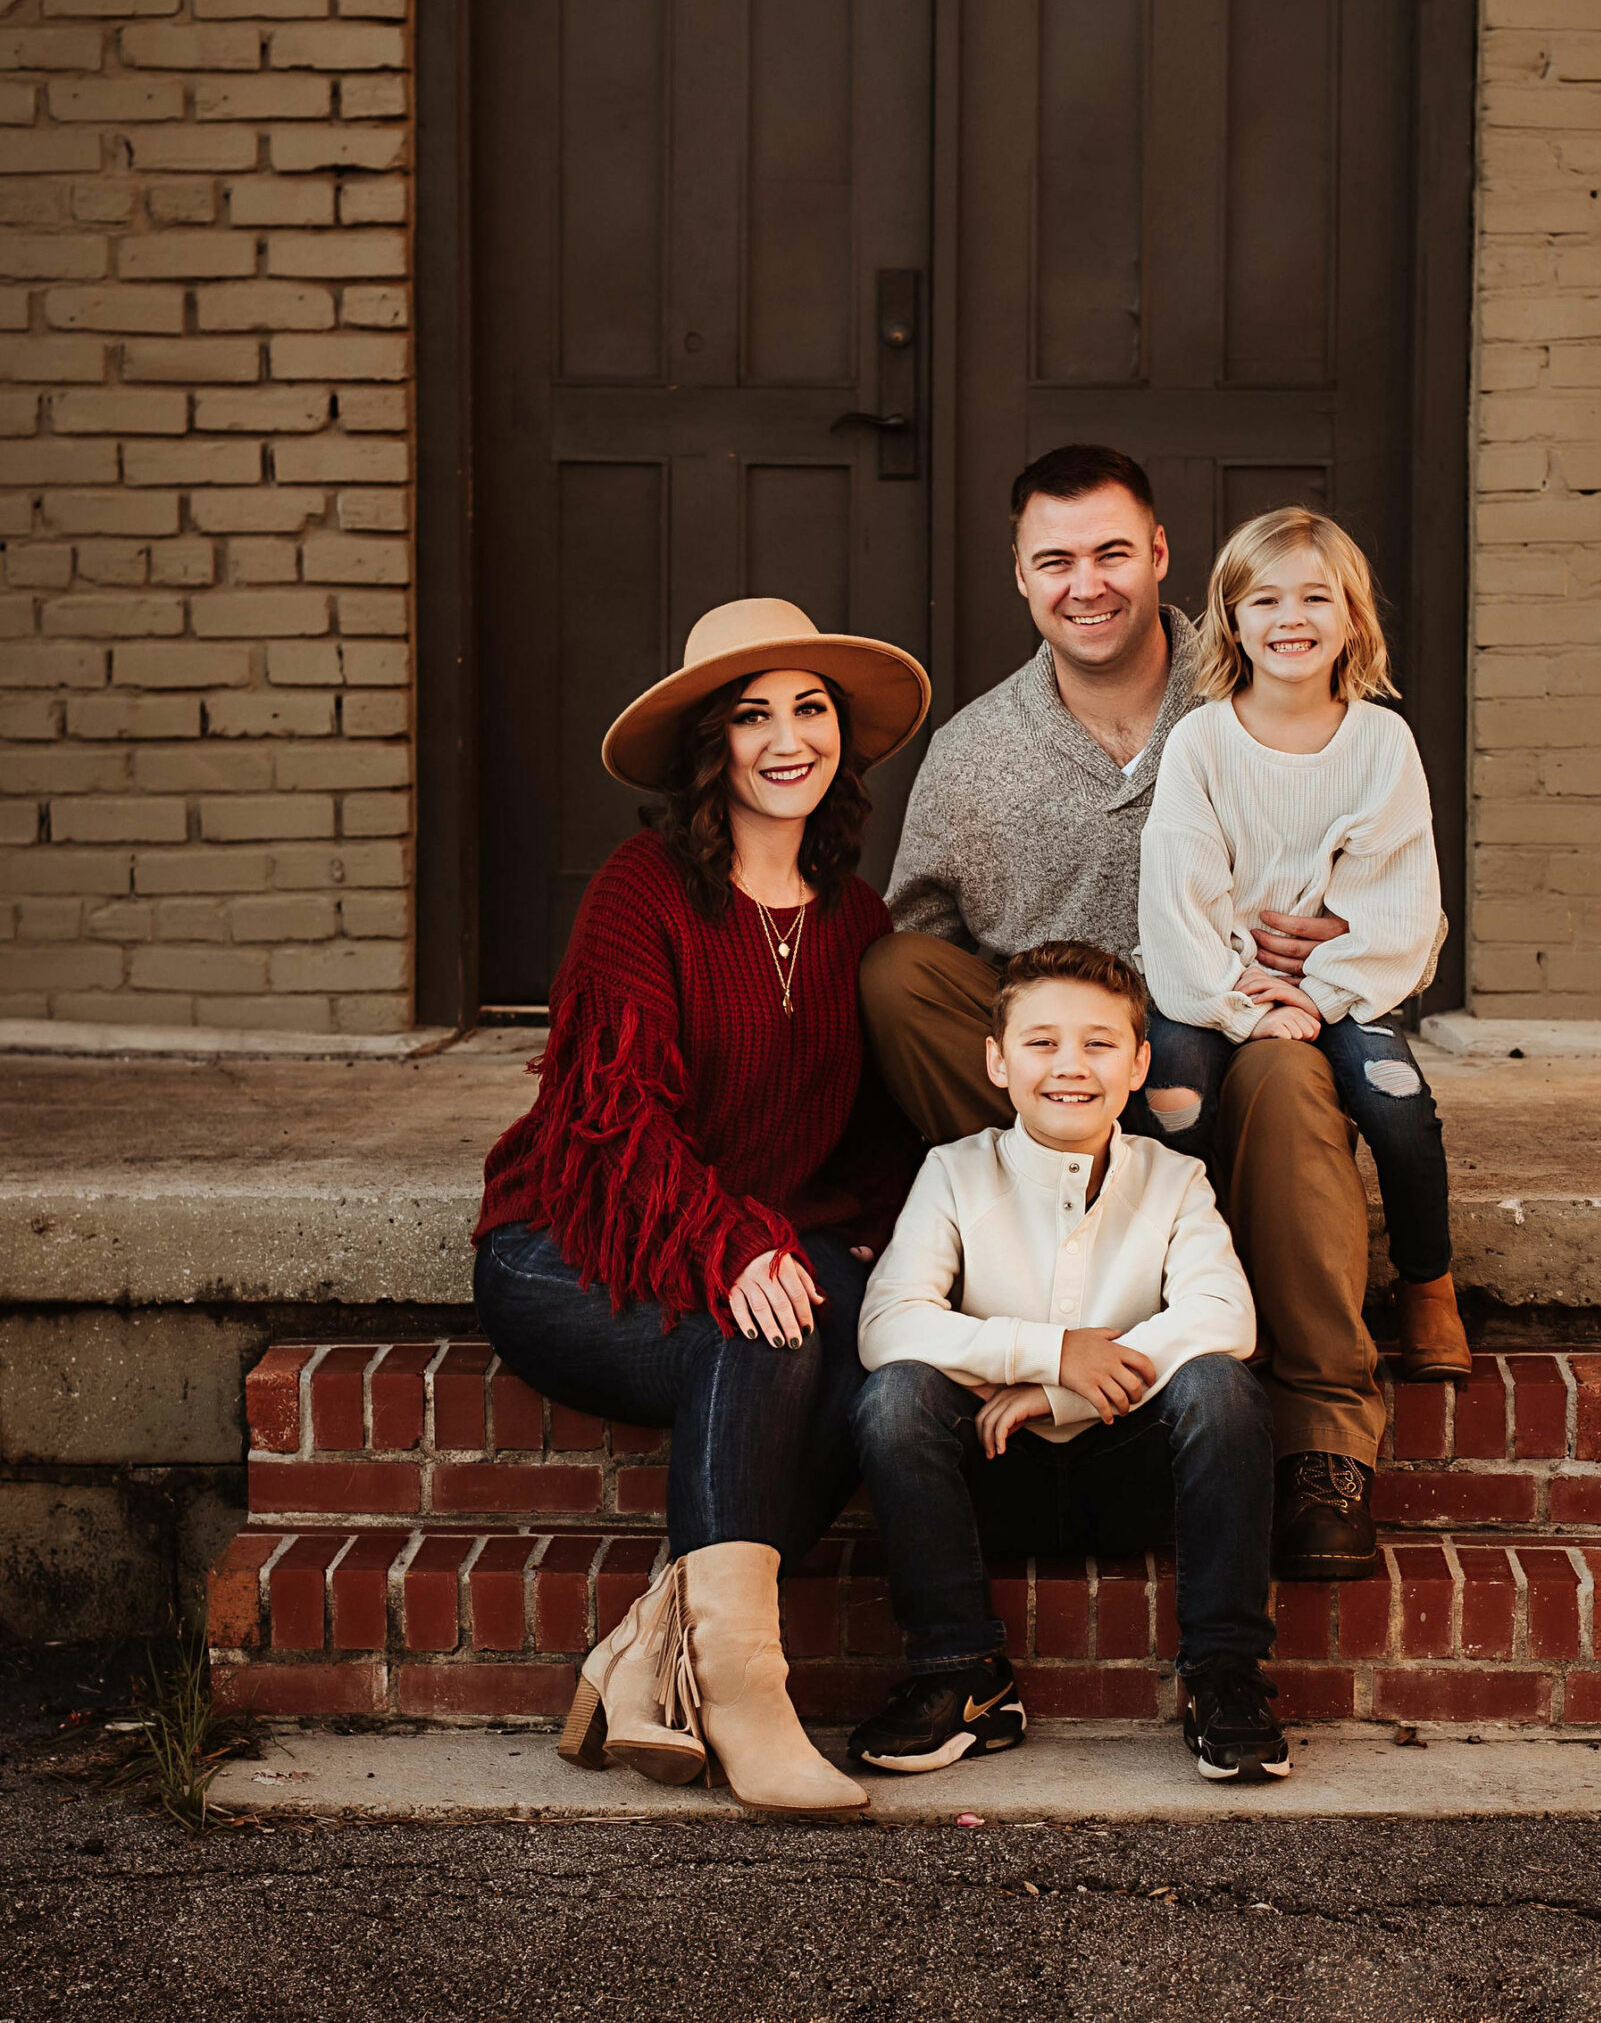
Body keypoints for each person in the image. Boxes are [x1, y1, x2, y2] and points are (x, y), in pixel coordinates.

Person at [862, 444, 1388, 1578]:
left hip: (1232, 1043)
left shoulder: (1266, 689)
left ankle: (1321, 1441)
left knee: (1294, 1077)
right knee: (897, 973)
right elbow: (926, 946)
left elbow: (1390, 878)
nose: (1086, 584)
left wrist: (1340, 938)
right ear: (1019, 574)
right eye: (1054, 561)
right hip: (1063, 1083)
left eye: (1110, 553)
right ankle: (1044, 1255)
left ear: (1158, 554)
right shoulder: (972, 754)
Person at [472, 597, 929, 1820]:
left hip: (745, 1247)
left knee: (854, 1330)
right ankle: (743, 1696)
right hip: (571, 1248)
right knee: (762, 1328)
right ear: (710, 747)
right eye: (751, 715)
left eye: (809, 709)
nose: (787, 738)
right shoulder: (644, 889)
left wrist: (878, 1235)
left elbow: (871, 1128)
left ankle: (646, 1652)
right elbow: (613, 1114)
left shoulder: (855, 915)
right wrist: (731, 1242)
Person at [848, 942, 1287, 1785]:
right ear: (997, 1061)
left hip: (1133, 1476)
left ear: (1138, 1064)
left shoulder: (1174, 1179)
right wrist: (1049, 1351)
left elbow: (1224, 1315)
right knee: (896, 1397)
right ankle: (961, 1674)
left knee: (1220, 1385)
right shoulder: (952, 1172)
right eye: (1041, 1042)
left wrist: (1060, 1392)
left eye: (1098, 1043)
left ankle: (1224, 1675)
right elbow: (888, 1324)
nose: (1070, 1066)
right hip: (989, 1478)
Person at [1137, 508, 1470, 1383]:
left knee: (1396, 1101)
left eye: (1315, 597)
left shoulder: (1380, 743)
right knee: (1172, 1100)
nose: (1291, 618)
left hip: (1341, 988)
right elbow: (1178, 894)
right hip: (1219, 982)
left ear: (1352, 617)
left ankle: (1428, 1284)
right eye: (1264, 599)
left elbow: (1396, 902)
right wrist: (1239, 1005)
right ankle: (1194, 1276)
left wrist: (1317, 996)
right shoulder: (1201, 741)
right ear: (1231, 621)